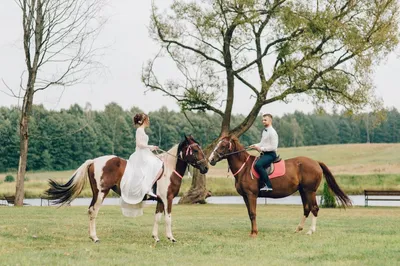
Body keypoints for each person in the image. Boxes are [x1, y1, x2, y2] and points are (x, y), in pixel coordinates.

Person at [120, 113, 163, 206]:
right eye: (147, 119)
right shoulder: (139, 130)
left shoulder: (142, 131)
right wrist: (149, 146)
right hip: (141, 154)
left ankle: (149, 187)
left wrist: (151, 148)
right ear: (142, 121)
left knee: (159, 165)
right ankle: (148, 188)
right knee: (157, 165)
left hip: (145, 152)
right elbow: (139, 144)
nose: (149, 121)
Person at [250, 113, 278, 191]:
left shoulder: (272, 132)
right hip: (265, 154)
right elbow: (261, 143)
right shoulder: (265, 131)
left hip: (271, 154)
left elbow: (273, 147)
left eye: (265, 120)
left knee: (258, 165)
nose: (263, 121)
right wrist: (254, 145)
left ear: (270, 121)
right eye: (262, 120)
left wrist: (260, 149)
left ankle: (268, 185)